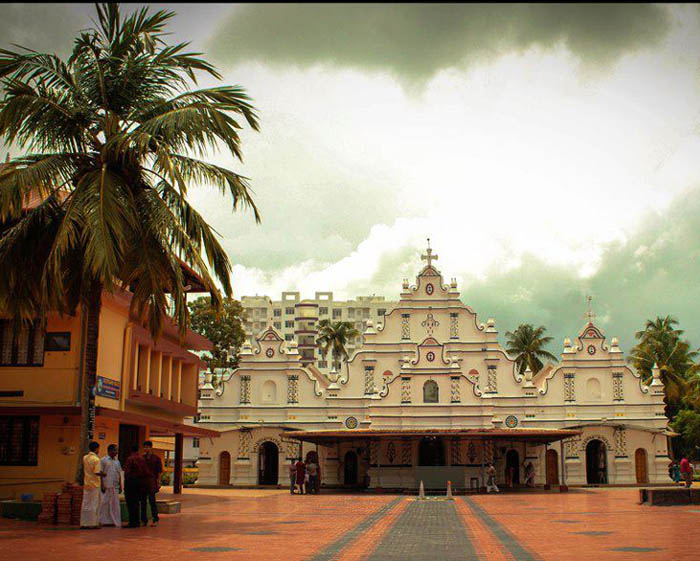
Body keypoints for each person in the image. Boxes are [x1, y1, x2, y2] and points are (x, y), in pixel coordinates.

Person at [80, 441, 106, 529]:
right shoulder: (96, 459)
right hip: (95, 484)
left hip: (87, 483)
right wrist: (104, 474)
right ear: (96, 449)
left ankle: (84, 523)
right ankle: (93, 523)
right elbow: (96, 472)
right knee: (94, 504)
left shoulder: (85, 457)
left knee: (85, 503)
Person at [123, 444, 149, 528]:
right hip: (141, 482)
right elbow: (145, 471)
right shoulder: (142, 459)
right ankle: (138, 520)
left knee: (131, 502)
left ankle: (132, 521)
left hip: (131, 482)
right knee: (137, 502)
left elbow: (127, 472)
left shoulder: (130, 459)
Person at [99, 444, 123, 527]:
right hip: (106, 485)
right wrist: (102, 485)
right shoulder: (103, 460)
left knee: (115, 504)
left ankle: (114, 521)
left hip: (114, 486)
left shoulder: (117, 462)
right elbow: (100, 473)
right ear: (110, 451)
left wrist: (120, 485)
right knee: (104, 503)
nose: (117, 452)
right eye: (115, 450)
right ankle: (104, 521)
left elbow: (119, 474)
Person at [142, 441, 163, 526]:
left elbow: (159, 471)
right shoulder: (142, 458)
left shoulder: (156, 458)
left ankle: (155, 519)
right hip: (143, 483)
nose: (146, 449)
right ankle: (144, 520)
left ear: (151, 448)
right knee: (143, 501)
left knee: (152, 501)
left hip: (152, 482)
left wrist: (158, 481)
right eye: (145, 447)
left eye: (147, 447)